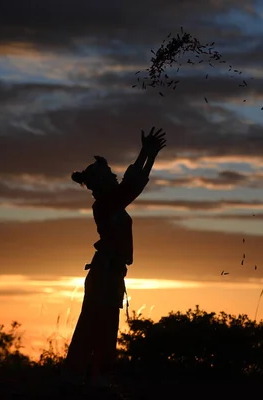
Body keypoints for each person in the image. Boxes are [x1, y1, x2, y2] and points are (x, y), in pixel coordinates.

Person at [61, 127, 167, 389]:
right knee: (96, 327)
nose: (114, 176)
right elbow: (133, 186)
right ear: (98, 183)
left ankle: (90, 379)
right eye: (109, 175)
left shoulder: (111, 201)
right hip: (105, 273)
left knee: (102, 326)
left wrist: (148, 154)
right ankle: (86, 380)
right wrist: (147, 153)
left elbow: (133, 184)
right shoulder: (106, 205)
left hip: (110, 273)